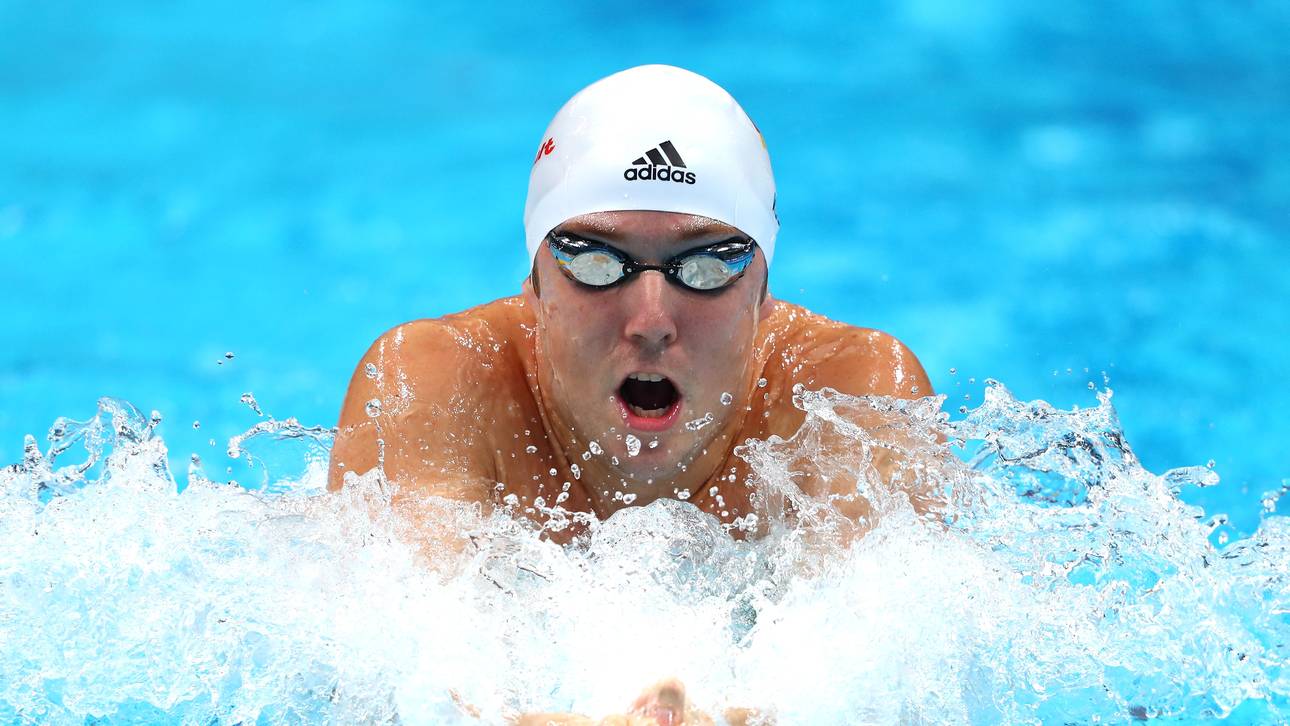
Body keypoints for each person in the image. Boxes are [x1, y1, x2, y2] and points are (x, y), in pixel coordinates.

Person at [328, 65, 932, 725]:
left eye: (708, 265)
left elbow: (890, 685)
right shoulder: (438, 382)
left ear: (762, 291)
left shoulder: (846, 398)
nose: (650, 320)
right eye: (596, 262)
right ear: (534, 285)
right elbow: (403, 681)